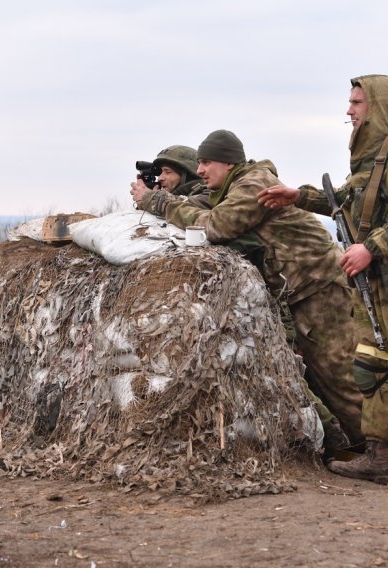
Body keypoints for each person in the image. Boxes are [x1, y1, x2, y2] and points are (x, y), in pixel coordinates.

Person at [257, 74, 388, 493]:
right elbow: (346, 197)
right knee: (371, 369)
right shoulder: (370, 158)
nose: (349, 111)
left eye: (356, 103)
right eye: (350, 102)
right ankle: (381, 457)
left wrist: (370, 246)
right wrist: (296, 196)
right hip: (368, 287)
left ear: (380, 106)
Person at [132, 130, 366, 454]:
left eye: (207, 162)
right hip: (304, 289)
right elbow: (204, 207)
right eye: (197, 163)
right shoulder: (233, 187)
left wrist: (156, 201)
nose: (201, 170)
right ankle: (366, 445)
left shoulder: (252, 185)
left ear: (228, 163)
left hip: (320, 287)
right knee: (327, 378)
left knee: (339, 375)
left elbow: (215, 226)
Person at [130, 145, 203, 201]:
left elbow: (183, 210)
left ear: (188, 175)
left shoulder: (205, 197)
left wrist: (151, 199)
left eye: (168, 172)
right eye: (160, 173)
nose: (160, 178)